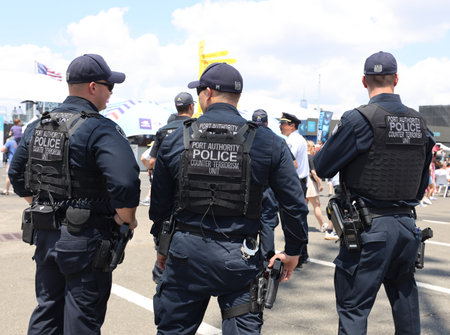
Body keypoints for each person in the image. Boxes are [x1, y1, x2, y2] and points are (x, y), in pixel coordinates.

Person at [149, 62, 308, 334]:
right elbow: (293, 203)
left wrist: (162, 248)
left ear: (207, 93)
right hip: (240, 257)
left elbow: (160, 207)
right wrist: (294, 250)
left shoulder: (177, 138)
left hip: (186, 255)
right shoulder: (268, 141)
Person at [8, 53, 140, 335]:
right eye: (109, 86)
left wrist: (44, 205)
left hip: (45, 235)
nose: (111, 93)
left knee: (47, 311)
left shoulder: (37, 126)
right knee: (81, 319)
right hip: (86, 240)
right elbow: (126, 181)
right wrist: (126, 219)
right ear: (93, 87)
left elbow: (16, 175)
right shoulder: (100, 128)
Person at [314, 51, 435, 335]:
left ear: (363, 81)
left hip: (369, 230)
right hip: (406, 227)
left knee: (354, 309)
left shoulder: (360, 119)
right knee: (406, 306)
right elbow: (422, 181)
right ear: (396, 79)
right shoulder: (421, 123)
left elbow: (322, 165)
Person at [279, 112, 310, 266]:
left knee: (291, 221)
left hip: (294, 184)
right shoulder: (298, 139)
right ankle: (302, 253)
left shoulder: (293, 140)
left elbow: (290, 164)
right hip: (300, 183)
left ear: (292, 125)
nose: (280, 126)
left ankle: (297, 254)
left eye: (283, 123)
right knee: (299, 219)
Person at [148, 92, 195, 169]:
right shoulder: (196, 127)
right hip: (188, 176)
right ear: (191, 106)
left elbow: (152, 161)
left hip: (166, 176)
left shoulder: (162, 130)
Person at [305, 140, 338, 240]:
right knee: (316, 205)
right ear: (311, 148)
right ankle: (323, 224)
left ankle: (298, 223)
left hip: (303, 182)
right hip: (310, 183)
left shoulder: (302, 156)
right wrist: (319, 183)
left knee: (303, 205)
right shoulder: (310, 157)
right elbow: (313, 172)